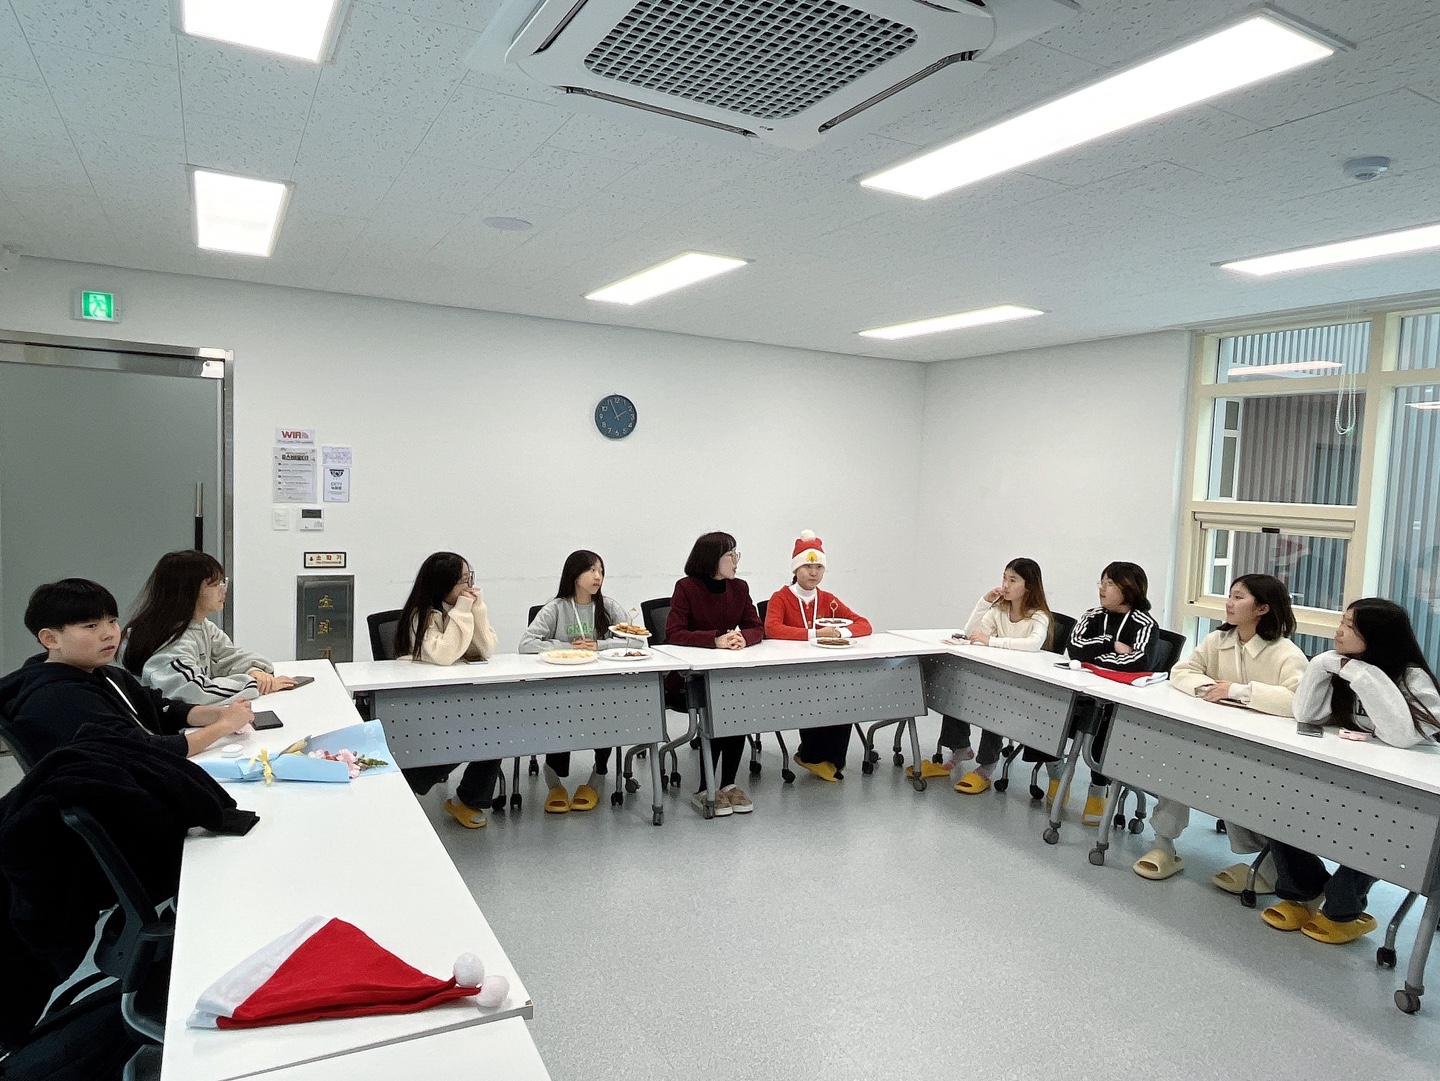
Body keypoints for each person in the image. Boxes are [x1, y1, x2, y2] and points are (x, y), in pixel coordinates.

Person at [1261, 598, 1440, 944]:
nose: (1339, 632)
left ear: (1376, 636)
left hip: (1402, 791)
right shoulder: (1338, 667)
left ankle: (1344, 910)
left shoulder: (1412, 678)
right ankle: (1304, 891)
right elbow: (1307, 715)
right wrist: (1321, 665)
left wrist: (1362, 673)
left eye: (1350, 626)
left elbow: (1401, 737)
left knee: (1374, 835)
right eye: (1341, 622)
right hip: (1346, 772)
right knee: (1281, 806)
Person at [1133, 574, 1307, 882]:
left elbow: (1297, 701)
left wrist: (1237, 691)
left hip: (1261, 751)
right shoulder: (1219, 640)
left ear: (1263, 608)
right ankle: (1163, 844)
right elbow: (1183, 670)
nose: (1229, 603)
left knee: (1255, 799)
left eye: (1239, 598)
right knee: (1177, 767)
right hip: (1213, 739)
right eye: (1230, 596)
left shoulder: (1286, 653)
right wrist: (1208, 689)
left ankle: (1270, 869)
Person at [0, 578, 253, 763]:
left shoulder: (104, 674)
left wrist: (220, 714)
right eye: (90, 626)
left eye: (112, 621)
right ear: (50, 639)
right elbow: (143, 750)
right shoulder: (60, 699)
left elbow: (160, 708)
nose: (109, 633)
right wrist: (223, 726)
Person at [393, 552, 501, 829]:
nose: (469, 586)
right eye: (463, 581)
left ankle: (467, 799)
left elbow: (486, 648)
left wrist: (477, 610)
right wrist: (463, 609)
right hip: (422, 703)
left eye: (469, 578)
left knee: (497, 731)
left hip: (457, 696)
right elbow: (444, 654)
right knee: (463, 736)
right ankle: (408, 779)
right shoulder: (421, 616)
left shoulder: (463, 608)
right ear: (443, 585)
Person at [519, 549, 629, 813]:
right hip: (562, 688)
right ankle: (554, 781)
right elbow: (526, 644)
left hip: (601, 687)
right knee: (559, 718)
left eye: (601, 571)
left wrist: (600, 645)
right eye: (591, 570)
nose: (598, 576)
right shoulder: (556, 608)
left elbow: (637, 641)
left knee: (606, 718)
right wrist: (565, 646)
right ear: (574, 574)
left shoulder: (609, 607)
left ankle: (598, 776)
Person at [666, 532, 763, 817]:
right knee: (718, 707)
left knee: (737, 706)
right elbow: (673, 633)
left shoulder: (739, 587)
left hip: (727, 672)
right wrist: (714, 640)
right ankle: (705, 787)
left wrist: (744, 637)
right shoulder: (686, 587)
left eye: (736, 554)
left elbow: (757, 626)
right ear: (712, 560)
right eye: (730, 556)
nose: (736, 561)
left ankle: (729, 783)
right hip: (690, 678)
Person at [935, 558, 1054, 794]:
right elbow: (970, 633)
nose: (1005, 585)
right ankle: (961, 747)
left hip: (1021, 685)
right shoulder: (999, 610)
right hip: (996, 676)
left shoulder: (1038, 616)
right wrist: (984, 603)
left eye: (1013, 580)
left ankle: (987, 764)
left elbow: (1032, 644)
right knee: (956, 687)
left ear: (1028, 586)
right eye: (1004, 578)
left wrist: (992, 641)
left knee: (993, 704)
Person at [764, 530, 873, 782]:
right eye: (807, 566)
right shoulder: (781, 597)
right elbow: (772, 629)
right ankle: (812, 756)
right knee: (817, 693)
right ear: (796, 569)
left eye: (819, 567)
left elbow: (864, 624)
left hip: (825, 669)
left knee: (844, 694)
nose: (813, 573)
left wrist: (839, 632)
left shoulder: (828, 599)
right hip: (792, 671)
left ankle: (831, 759)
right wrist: (816, 634)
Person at [123, 549, 295, 703]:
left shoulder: (203, 626)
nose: (223, 590)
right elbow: (194, 692)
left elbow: (228, 657)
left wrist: (254, 670)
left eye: (222, 582)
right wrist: (252, 684)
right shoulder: (172, 640)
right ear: (189, 591)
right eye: (215, 584)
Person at [1066, 561, 1158, 825]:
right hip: (1086, 692)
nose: (1102, 589)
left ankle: (1098, 788)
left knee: (1105, 722)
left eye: (1110, 584)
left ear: (1129, 588)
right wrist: (1110, 644)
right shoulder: (1092, 615)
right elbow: (1074, 649)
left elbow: (1139, 662)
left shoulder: (1144, 623)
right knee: (1055, 708)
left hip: (1121, 703)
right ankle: (1057, 773)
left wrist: (1092, 659)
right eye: (1102, 583)